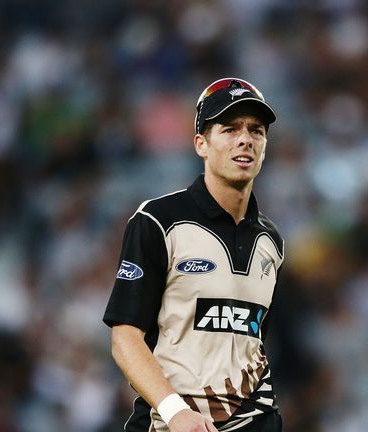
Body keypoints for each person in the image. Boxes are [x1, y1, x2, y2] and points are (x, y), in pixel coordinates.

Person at [103, 78, 285, 432]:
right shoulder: (158, 221)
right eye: (229, 129)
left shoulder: (271, 240)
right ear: (201, 144)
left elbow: (250, 341)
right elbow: (125, 337)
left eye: (256, 130)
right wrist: (175, 412)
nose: (245, 139)